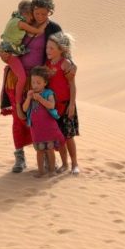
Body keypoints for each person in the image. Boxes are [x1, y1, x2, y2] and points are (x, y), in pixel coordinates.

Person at [0, 0, 62, 173]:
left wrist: (69, 66)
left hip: (38, 81)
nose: (39, 16)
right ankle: (19, 157)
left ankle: (49, 156)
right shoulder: (19, 24)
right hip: (16, 79)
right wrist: (3, 56)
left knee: (43, 119)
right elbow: (5, 46)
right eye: (36, 12)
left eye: (43, 13)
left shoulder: (52, 28)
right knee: (18, 119)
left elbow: (63, 50)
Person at [0, 0, 48, 120]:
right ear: (26, 13)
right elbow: (37, 31)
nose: (33, 18)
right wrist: (46, 23)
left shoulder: (14, 19)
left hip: (36, 80)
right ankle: (18, 106)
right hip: (15, 66)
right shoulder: (21, 23)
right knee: (22, 78)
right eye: (33, 14)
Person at [46, 32, 80, 175]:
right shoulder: (46, 64)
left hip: (66, 105)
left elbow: (72, 85)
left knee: (68, 136)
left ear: (61, 50)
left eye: (52, 48)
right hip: (53, 107)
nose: (48, 51)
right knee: (58, 137)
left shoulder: (65, 64)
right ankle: (64, 164)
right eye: (47, 48)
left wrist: (72, 105)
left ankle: (74, 164)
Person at [23, 66, 64, 177]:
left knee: (50, 149)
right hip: (36, 128)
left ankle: (52, 171)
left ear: (45, 83)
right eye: (33, 82)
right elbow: (25, 109)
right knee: (39, 151)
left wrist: (40, 99)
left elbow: (52, 105)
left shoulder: (48, 93)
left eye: (38, 83)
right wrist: (28, 98)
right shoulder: (30, 94)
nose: (35, 85)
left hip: (48, 127)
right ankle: (41, 171)